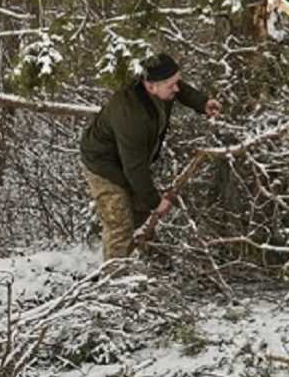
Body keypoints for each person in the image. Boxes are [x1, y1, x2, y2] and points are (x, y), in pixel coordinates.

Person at [79, 53, 222, 261]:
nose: (177, 89)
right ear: (151, 86)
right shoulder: (132, 114)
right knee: (120, 223)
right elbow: (134, 168)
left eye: (176, 82)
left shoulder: (161, 87)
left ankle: (147, 266)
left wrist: (202, 103)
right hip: (103, 165)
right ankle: (114, 281)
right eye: (171, 85)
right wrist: (156, 202)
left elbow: (180, 89)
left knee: (142, 213)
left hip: (128, 160)